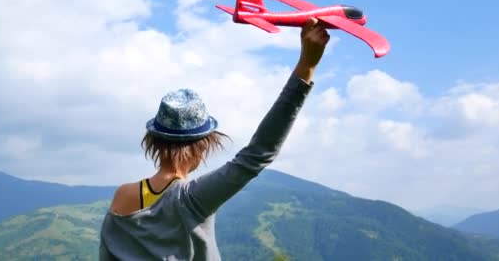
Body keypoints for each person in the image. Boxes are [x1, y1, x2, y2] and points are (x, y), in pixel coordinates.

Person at [99, 18, 330, 260]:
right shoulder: (191, 199)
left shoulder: (122, 196)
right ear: (203, 145)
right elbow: (258, 154)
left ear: (154, 139)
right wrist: (307, 66)